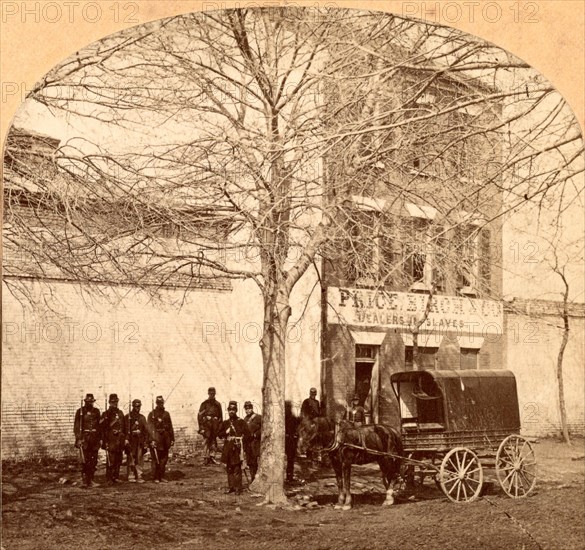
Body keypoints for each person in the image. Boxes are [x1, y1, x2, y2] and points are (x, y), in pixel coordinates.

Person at [217, 401, 251, 494]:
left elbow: (248, 434)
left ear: (236, 410)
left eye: (233, 409)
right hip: (228, 447)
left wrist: (241, 441)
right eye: (230, 409)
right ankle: (231, 487)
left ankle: (238, 488)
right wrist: (226, 433)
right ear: (228, 411)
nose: (231, 411)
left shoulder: (241, 422)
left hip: (237, 448)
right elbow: (219, 434)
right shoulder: (225, 423)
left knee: (237, 468)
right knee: (229, 468)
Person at [74, 393, 102, 488]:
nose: (90, 403)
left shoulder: (96, 411)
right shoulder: (80, 412)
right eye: (88, 402)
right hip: (84, 439)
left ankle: (91, 479)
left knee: (93, 460)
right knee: (84, 460)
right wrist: (78, 438)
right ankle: (85, 480)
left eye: (91, 402)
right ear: (85, 402)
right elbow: (77, 427)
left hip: (94, 439)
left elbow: (99, 426)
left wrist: (100, 438)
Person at [100, 393, 127, 485]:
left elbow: (124, 427)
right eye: (112, 402)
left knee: (118, 460)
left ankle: (116, 477)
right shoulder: (106, 414)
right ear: (109, 402)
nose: (114, 404)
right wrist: (104, 441)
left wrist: (121, 433)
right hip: (110, 440)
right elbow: (102, 429)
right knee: (110, 460)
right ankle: (109, 478)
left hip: (119, 440)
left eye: (116, 402)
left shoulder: (120, 413)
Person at [148, 395, 175, 483]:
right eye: (159, 403)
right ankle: (156, 476)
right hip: (156, 439)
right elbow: (149, 428)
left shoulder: (166, 414)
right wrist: (151, 440)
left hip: (165, 439)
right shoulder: (152, 414)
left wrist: (172, 438)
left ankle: (162, 475)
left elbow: (170, 426)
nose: (161, 404)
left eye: (162, 403)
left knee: (164, 458)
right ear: (156, 403)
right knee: (156, 458)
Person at [124, 399, 149, 483]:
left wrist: (145, 440)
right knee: (131, 457)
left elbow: (146, 430)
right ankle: (131, 475)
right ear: (133, 406)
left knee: (139, 458)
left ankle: (139, 475)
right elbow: (125, 429)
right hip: (131, 440)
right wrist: (126, 439)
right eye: (135, 406)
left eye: (139, 406)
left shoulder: (142, 418)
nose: (137, 408)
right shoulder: (128, 417)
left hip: (140, 441)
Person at [197, 387, 223, 465]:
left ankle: (212, 457)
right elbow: (199, 416)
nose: (212, 395)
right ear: (208, 393)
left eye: (213, 393)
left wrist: (219, 428)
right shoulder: (204, 404)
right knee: (206, 441)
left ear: (215, 394)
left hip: (214, 426)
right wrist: (201, 428)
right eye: (210, 393)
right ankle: (206, 458)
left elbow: (220, 417)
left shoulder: (217, 404)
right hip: (206, 426)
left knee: (213, 441)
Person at [243, 401, 261, 482]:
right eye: (246, 409)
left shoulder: (258, 417)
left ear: (252, 408)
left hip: (255, 443)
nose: (248, 410)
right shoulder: (245, 419)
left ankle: (257, 479)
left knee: (256, 462)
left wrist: (256, 434)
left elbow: (264, 428)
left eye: (249, 408)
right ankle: (252, 479)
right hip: (248, 444)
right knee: (250, 462)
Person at [284, 400, 299, 484]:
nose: (287, 409)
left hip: (291, 441)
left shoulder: (293, 418)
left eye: (288, 407)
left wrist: (295, 435)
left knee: (290, 459)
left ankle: (289, 476)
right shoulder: (282, 418)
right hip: (284, 441)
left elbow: (297, 428)